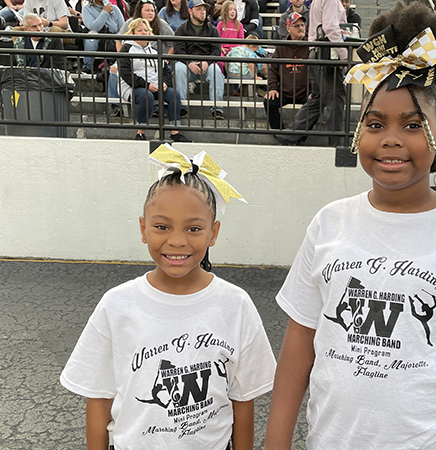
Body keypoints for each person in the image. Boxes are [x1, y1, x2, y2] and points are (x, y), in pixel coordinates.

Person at [263, 3, 436, 449]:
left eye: (413, 125)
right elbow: (300, 342)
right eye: (375, 124)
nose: (391, 139)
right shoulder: (328, 224)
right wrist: (275, 442)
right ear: (359, 132)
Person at [60, 147, 276, 450]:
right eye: (162, 226)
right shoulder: (117, 305)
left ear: (213, 233)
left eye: (194, 228)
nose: (177, 240)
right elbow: (99, 398)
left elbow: (242, 401)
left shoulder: (235, 305)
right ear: (143, 229)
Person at [274, 0, 347, 146]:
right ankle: (337, 143)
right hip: (327, 53)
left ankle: (290, 135)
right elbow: (331, 28)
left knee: (317, 98)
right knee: (335, 100)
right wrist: (344, 54)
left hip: (316, 51)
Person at [118, 18, 188, 141]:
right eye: (139, 30)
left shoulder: (154, 50)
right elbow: (126, 73)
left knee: (173, 95)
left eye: (146, 30)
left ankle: (175, 132)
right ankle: (140, 132)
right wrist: (147, 85)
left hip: (155, 85)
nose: (143, 32)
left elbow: (165, 70)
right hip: (133, 86)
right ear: (132, 33)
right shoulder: (126, 49)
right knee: (147, 96)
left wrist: (165, 83)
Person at [173, 0, 225, 120]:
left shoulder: (212, 29)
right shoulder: (181, 29)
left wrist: (207, 61)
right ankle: (182, 107)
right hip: (188, 65)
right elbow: (179, 50)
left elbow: (216, 50)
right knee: (178, 68)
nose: (203, 12)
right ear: (190, 11)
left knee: (216, 71)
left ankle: (217, 109)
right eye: (199, 9)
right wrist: (189, 63)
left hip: (207, 64)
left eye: (204, 9)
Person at [264, 11, 308, 130]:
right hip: (285, 91)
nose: (301, 28)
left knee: (316, 103)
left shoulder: (311, 44)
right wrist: (272, 88)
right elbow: (273, 69)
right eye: (297, 25)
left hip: (305, 92)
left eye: (302, 25)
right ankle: (279, 133)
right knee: (269, 101)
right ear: (288, 28)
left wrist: (313, 91)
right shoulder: (281, 46)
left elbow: (317, 72)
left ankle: (297, 136)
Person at [80, 0, 124, 73]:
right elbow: (94, 27)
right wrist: (105, 12)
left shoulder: (115, 9)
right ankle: (88, 67)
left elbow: (122, 29)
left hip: (113, 40)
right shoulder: (86, 9)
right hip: (97, 38)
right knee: (91, 37)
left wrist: (115, 38)